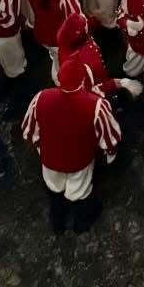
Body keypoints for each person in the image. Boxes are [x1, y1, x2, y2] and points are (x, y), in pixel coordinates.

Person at [21, 54, 121, 232]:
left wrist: (40, 148)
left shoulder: (41, 98)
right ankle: (80, 225)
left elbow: (29, 130)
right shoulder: (95, 105)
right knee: (80, 193)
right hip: (79, 162)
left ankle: (57, 224)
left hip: (50, 160)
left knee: (54, 190)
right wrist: (110, 153)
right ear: (83, 80)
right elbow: (109, 135)